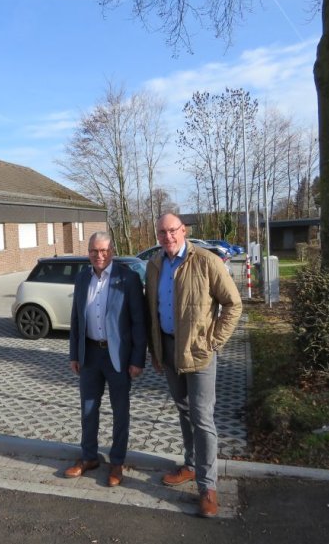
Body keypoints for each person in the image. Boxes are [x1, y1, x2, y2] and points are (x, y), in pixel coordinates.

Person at [145, 213, 242, 517]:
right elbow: (153, 311)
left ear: (183, 230)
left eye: (172, 230)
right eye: (162, 232)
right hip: (170, 348)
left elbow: (233, 304)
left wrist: (214, 341)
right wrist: (156, 352)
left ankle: (207, 486)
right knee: (183, 410)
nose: (168, 236)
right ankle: (189, 464)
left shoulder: (206, 261)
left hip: (199, 351)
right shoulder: (155, 265)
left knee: (202, 417)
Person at [64, 231, 147, 487]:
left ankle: (117, 462)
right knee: (88, 410)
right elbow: (76, 318)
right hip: (89, 355)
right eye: (93, 251)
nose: (99, 256)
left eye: (104, 251)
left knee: (120, 412)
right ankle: (89, 457)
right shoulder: (81, 279)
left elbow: (138, 323)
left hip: (118, 357)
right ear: (87, 251)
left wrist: (137, 359)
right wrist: (74, 354)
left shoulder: (128, 278)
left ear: (112, 251)